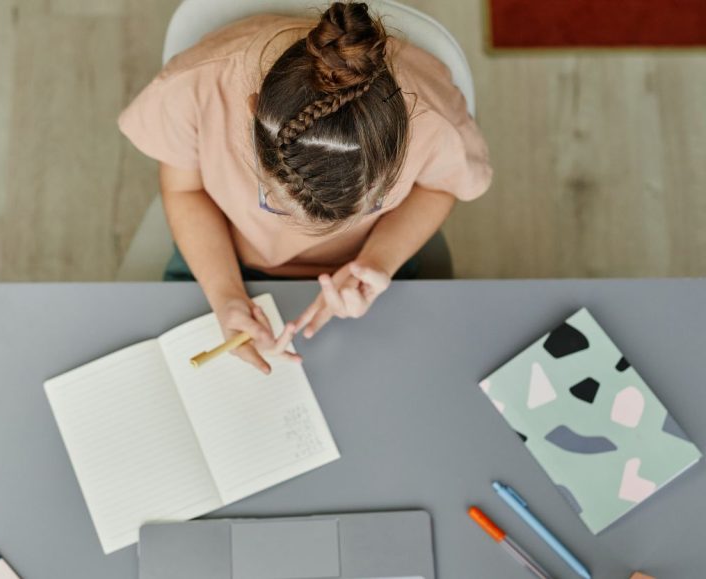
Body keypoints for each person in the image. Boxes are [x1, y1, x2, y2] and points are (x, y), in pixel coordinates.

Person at [119, 2, 492, 373]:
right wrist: (225, 293)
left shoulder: (435, 118)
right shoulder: (197, 85)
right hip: (223, 257)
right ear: (253, 113)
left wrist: (377, 261)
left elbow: (440, 187)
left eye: (372, 203)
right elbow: (185, 191)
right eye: (277, 203)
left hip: (373, 259)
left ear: (402, 142)